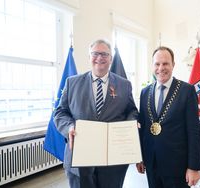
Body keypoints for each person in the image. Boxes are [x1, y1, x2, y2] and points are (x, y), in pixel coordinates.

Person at [54, 39, 138, 188]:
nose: (100, 58)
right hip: (79, 160)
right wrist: (69, 128)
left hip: (113, 161)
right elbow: (60, 112)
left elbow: (132, 111)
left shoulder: (124, 85)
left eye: (104, 54)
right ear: (89, 57)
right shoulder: (71, 83)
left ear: (111, 58)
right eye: (95, 54)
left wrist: (131, 125)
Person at [137, 46, 200, 188]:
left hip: (177, 166)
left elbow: (194, 132)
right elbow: (143, 129)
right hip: (151, 163)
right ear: (152, 66)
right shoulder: (145, 92)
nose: (161, 68)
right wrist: (139, 157)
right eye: (157, 64)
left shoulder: (187, 91)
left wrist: (194, 167)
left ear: (173, 65)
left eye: (165, 63)